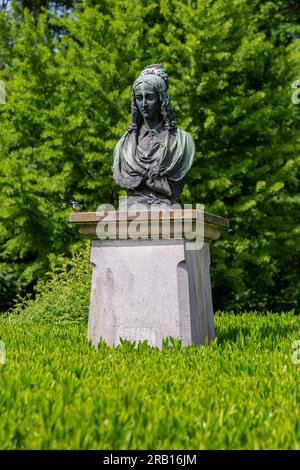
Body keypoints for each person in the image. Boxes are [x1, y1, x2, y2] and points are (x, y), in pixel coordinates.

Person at [113, 64, 195, 208]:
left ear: (161, 99)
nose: (144, 104)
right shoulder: (123, 145)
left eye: (149, 97)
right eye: (139, 98)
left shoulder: (182, 141)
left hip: (166, 207)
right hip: (132, 208)